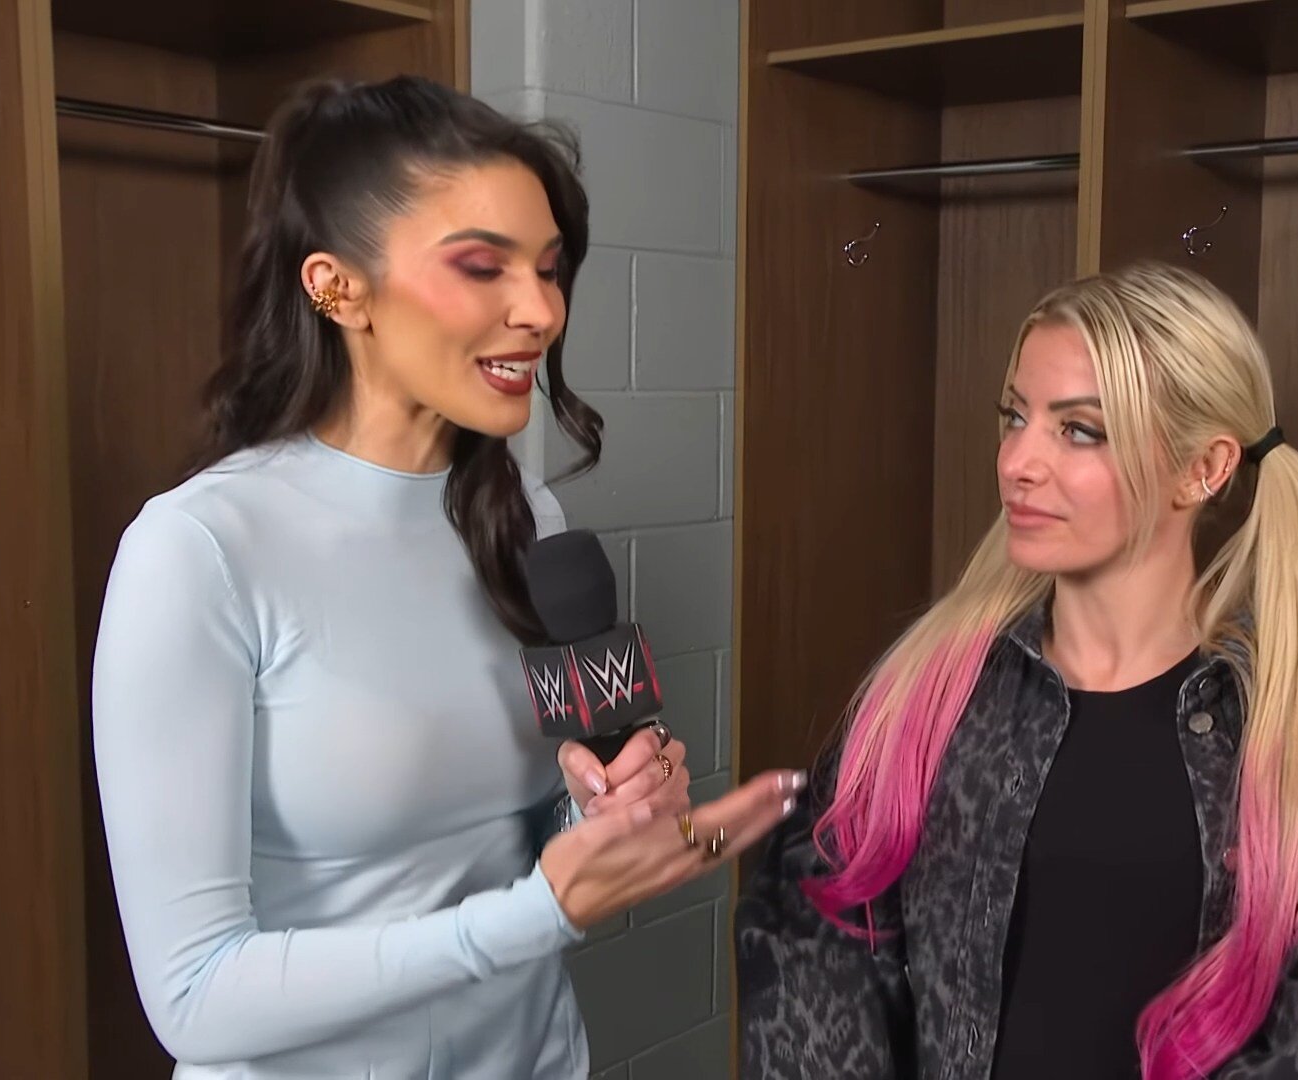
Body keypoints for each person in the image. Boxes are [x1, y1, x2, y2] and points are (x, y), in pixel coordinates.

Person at [90, 75, 800, 1080]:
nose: (540, 310)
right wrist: (540, 912)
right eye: (482, 266)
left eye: (549, 269)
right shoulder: (198, 552)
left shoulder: (529, 515)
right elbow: (195, 999)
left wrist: (604, 814)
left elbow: (531, 839)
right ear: (337, 288)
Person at [736, 261, 1298, 1079]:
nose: (1016, 462)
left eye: (1079, 431)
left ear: (1203, 469)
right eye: (1015, 417)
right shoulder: (931, 690)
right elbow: (812, 932)